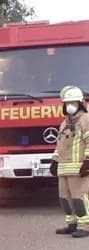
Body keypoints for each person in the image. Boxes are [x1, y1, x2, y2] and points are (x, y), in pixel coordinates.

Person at [50, 85, 89, 238]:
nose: (70, 106)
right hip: (64, 170)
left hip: (79, 169)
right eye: (67, 103)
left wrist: (87, 161)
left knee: (80, 199)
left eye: (73, 103)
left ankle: (85, 226)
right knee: (65, 199)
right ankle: (72, 224)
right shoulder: (64, 123)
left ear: (80, 103)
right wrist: (54, 161)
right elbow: (59, 145)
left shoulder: (86, 120)